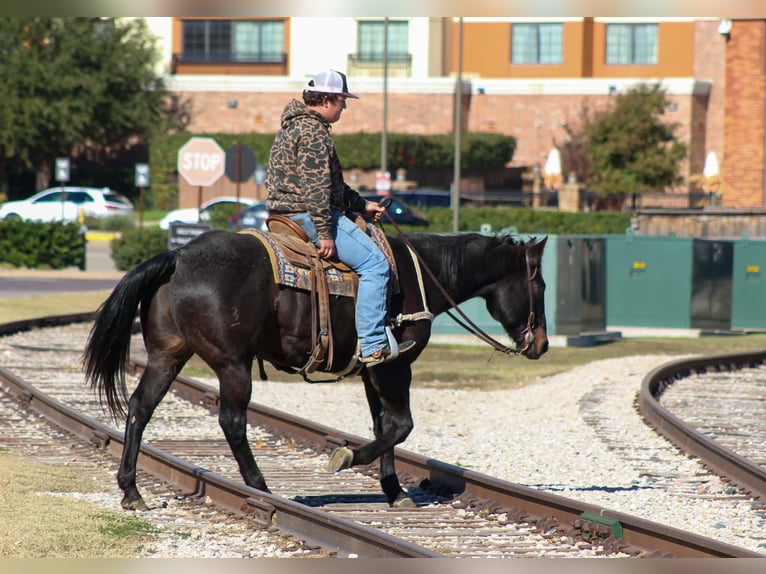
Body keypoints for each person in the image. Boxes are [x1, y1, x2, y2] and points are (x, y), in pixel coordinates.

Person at [265, 69, 415, 367]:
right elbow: (317, 190)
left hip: (283, 214)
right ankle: (373, 345)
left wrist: (362, 205)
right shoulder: (313, 133)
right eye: (341, 100)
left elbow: (330, 186)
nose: (344, 106)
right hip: (308, 215)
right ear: (325, 99)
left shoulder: (290, 128)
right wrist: (325, 233)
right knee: (376, 265)